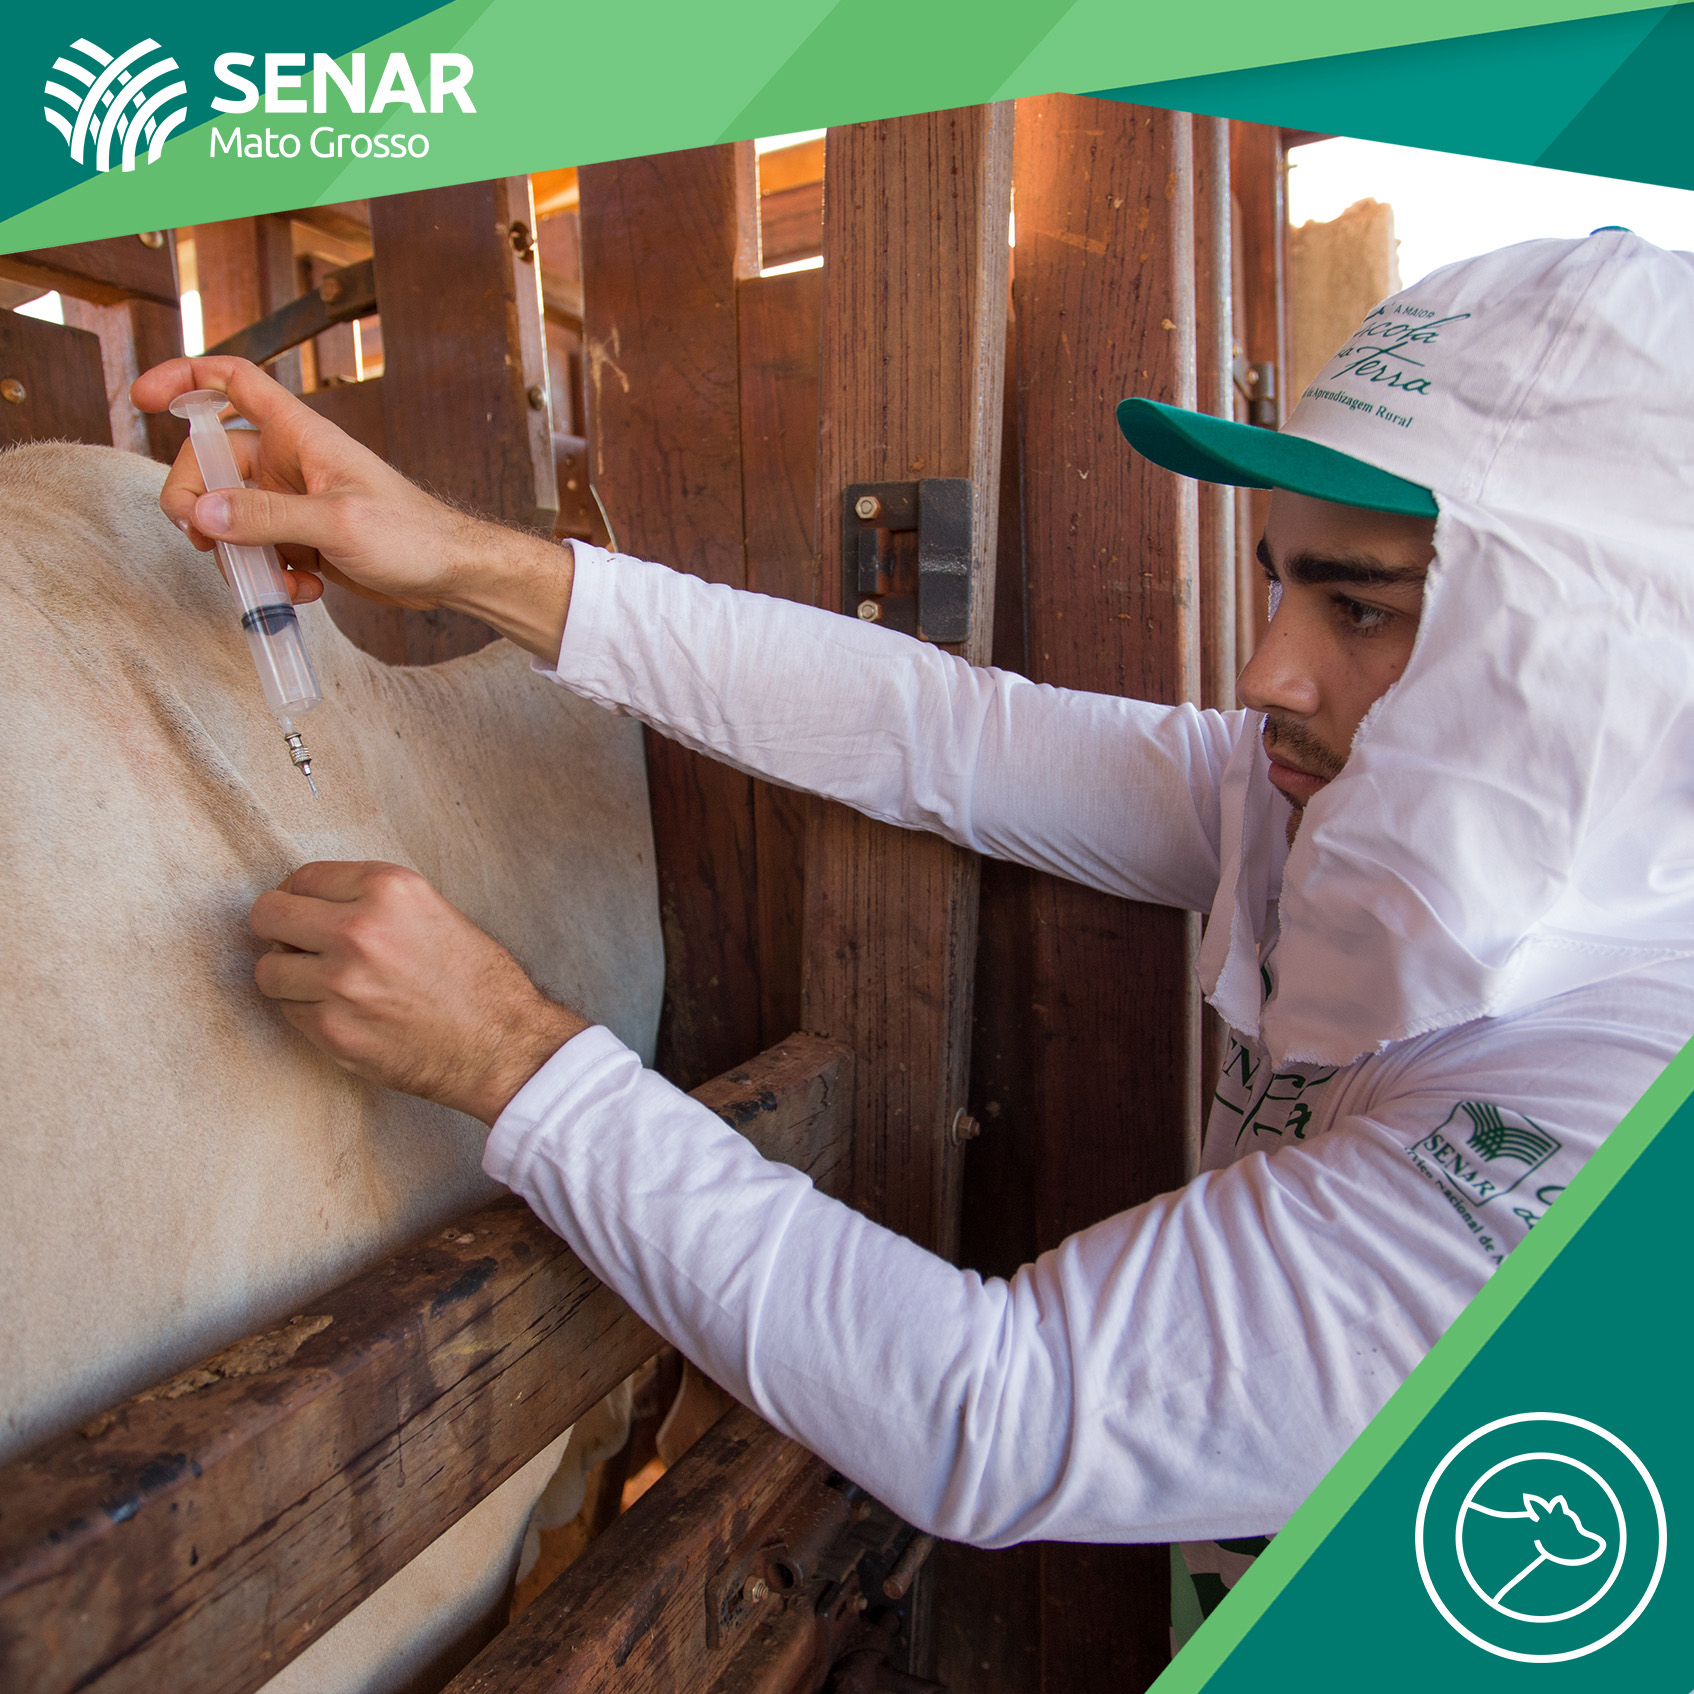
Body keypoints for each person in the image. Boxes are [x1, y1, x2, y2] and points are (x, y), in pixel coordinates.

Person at [131, 230, 1694, 1578]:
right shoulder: (1328, 797)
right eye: (1284, 581)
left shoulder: (1608, 1119)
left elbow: (994, 1412)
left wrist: (507, 1055)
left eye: (1361, 607)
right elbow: (944, 734)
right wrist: (464, 560)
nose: (1264, 669)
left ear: (1600, 660)